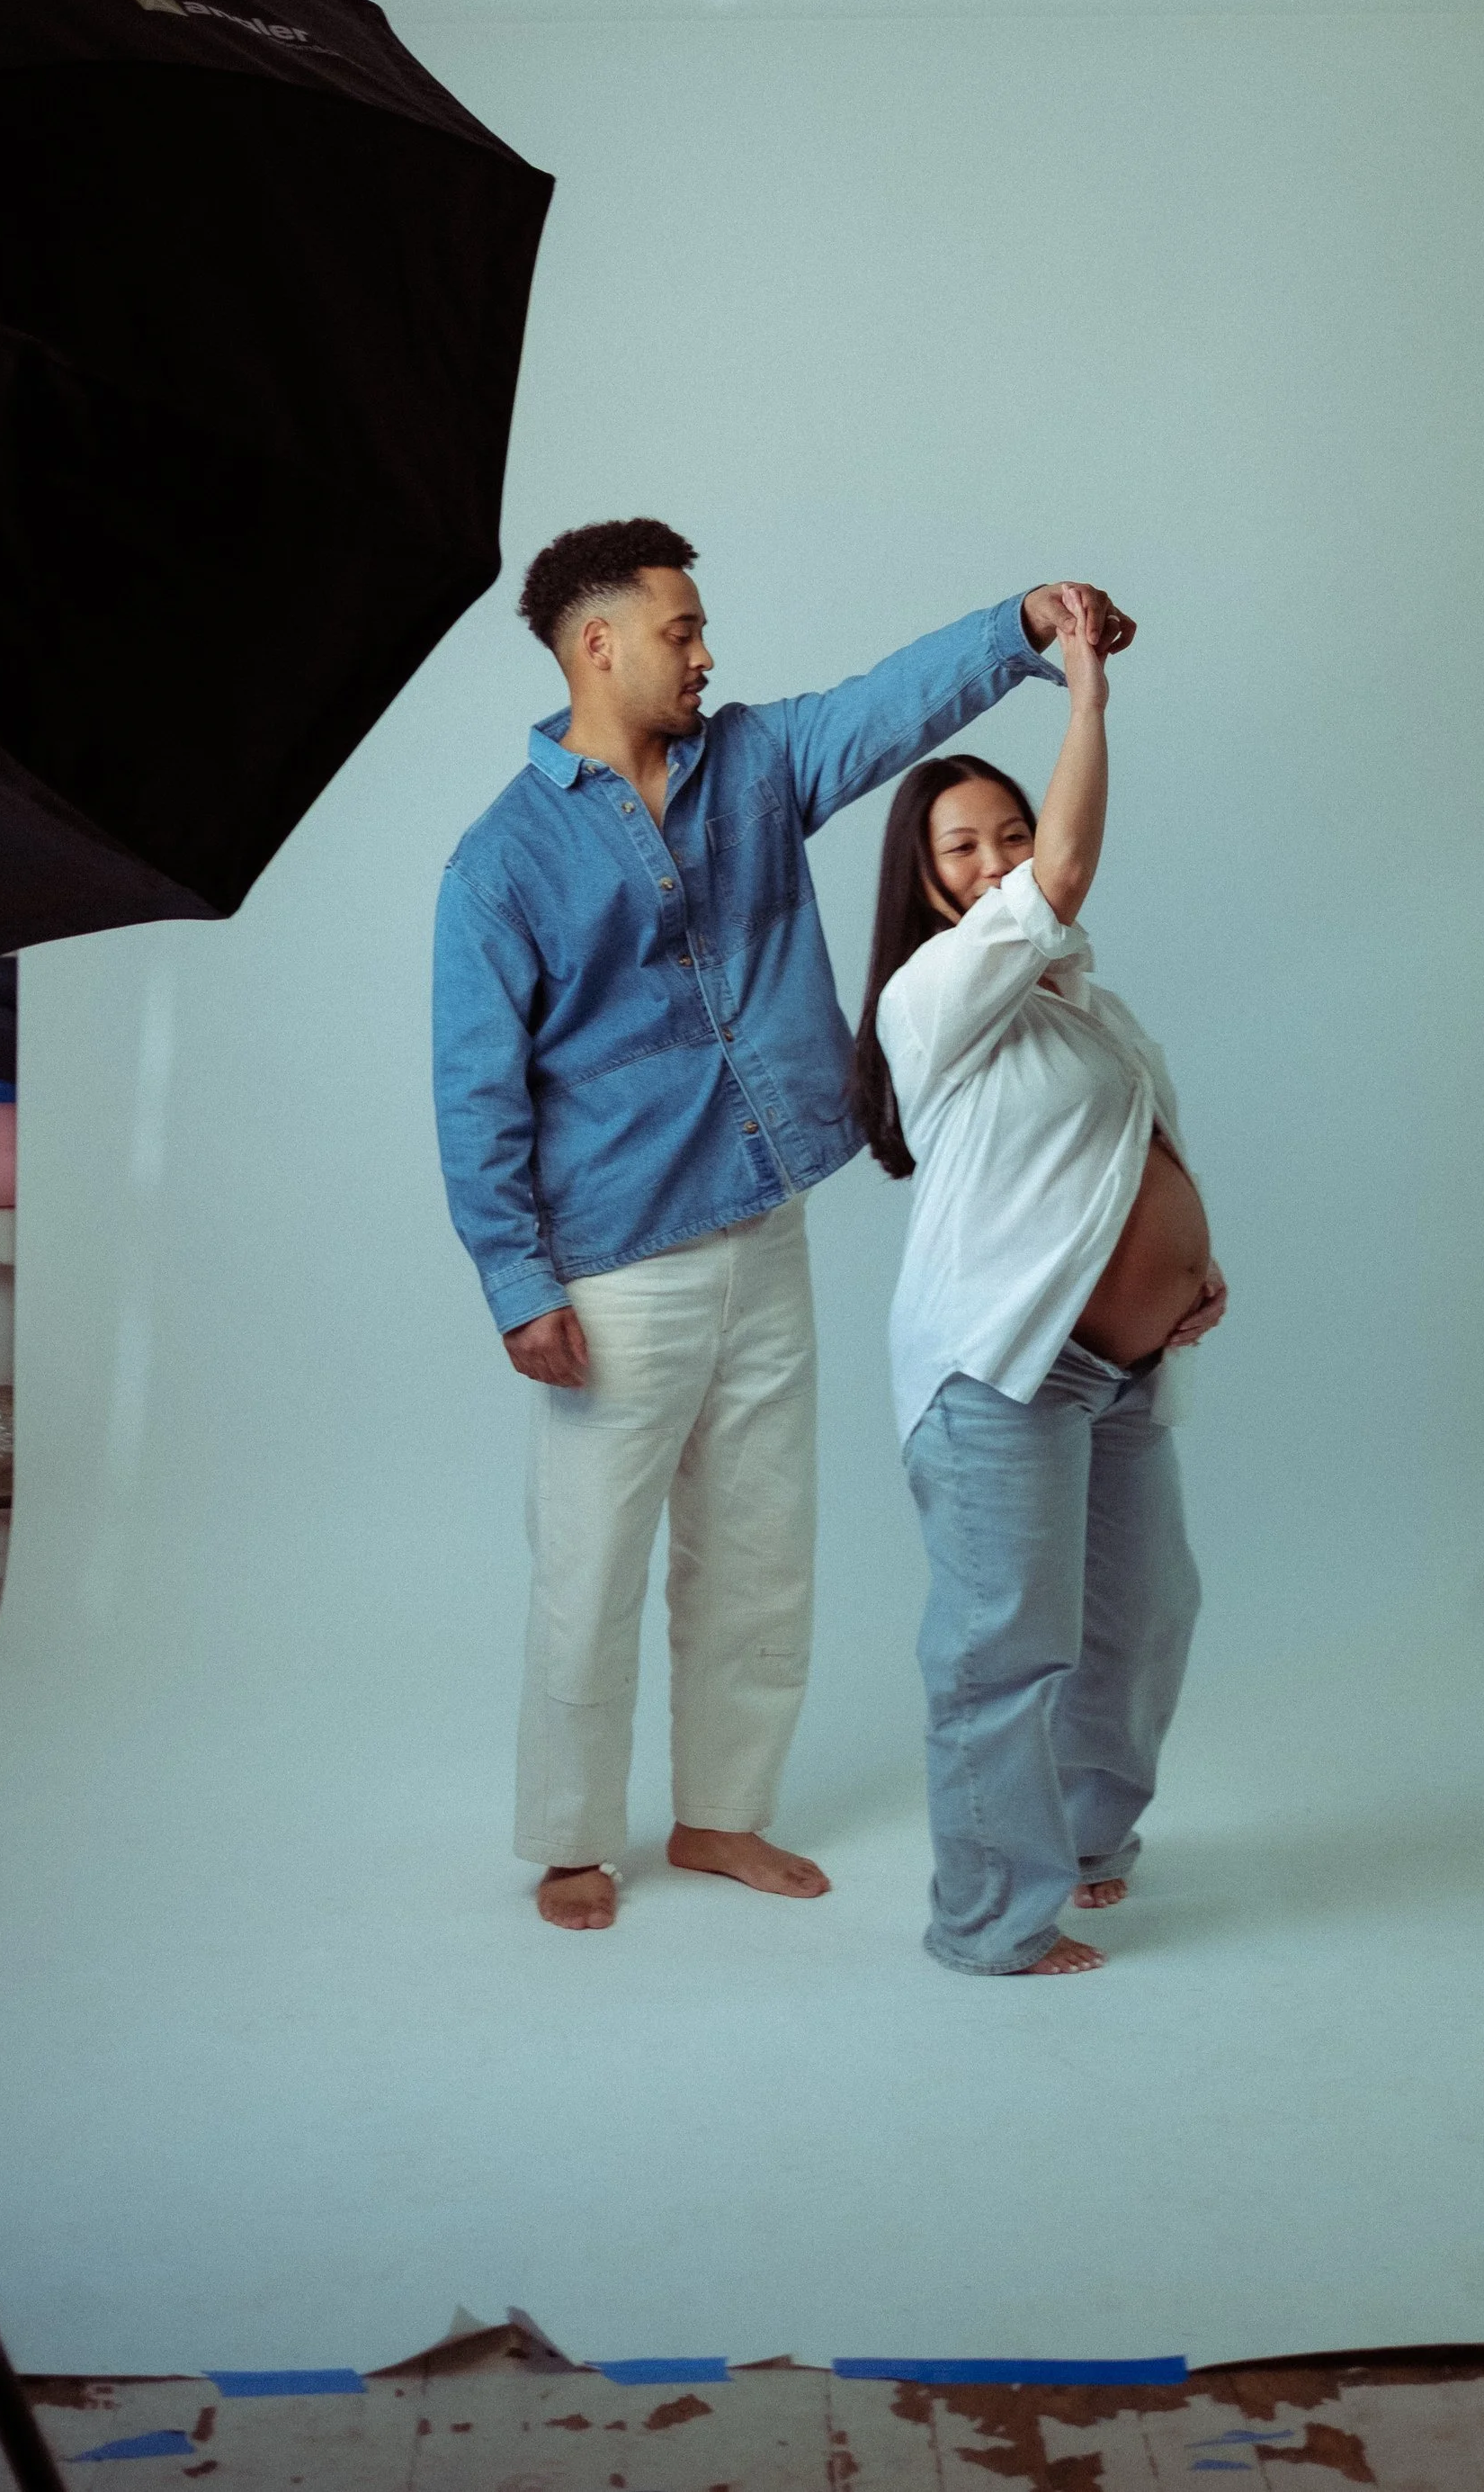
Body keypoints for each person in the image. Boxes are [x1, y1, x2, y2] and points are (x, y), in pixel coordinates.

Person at [433, 519, 1135, 1932]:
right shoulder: (501, 861)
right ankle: (573, 1837)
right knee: (591, 1565)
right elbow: (475, 1085)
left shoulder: (754, 762)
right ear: (598, 645)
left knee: (757, 1548)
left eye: (701, 629)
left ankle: (719, 1814)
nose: (706, 652)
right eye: (681, 631)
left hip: (767, 1226)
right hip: (616, 1262)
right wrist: (518, 1280)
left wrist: (1022, 623)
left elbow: (890, 705)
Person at [854, 590, 1225, 1974]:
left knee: (1143, 1619)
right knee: (1003, 1650)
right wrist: (1083, 694)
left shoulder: (1090, 1008)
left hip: (1121, 1371)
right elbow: (1065, 874)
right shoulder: (933, 993)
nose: (1001, 858)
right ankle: (990, 1918)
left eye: (1011, 831)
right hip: (1000, 1371)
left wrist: (1189, 1269)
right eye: (965, 845)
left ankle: (1084, 1839)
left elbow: (1128, 1154)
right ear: (928, 880)